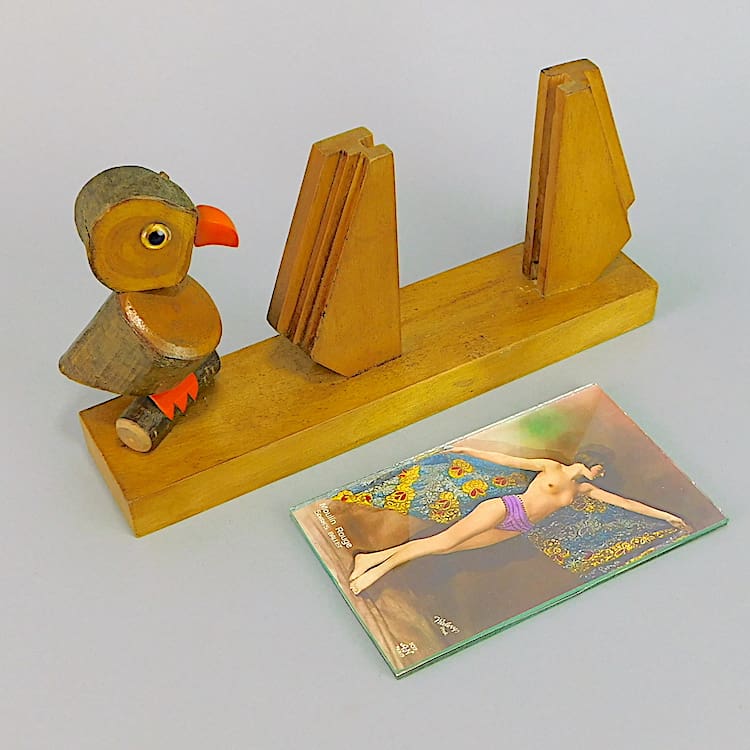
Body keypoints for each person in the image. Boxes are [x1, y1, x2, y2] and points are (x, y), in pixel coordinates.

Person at [349, 441, 691, 594]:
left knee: (446, 548)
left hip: (518, 527)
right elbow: (508, 460)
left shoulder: (583, 490)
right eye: (601, 469)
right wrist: (468, 450)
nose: (601, 474)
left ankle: (370, 558)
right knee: (441, 541)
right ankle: (376, 572)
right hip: (507, 508)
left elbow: (626, 503)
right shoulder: (551, 467)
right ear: (593, 461)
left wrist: (668, 517)